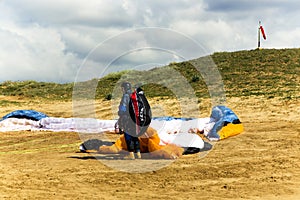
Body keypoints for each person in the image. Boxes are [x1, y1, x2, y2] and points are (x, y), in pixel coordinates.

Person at [117, 81, 141, 160]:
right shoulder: (135, 95)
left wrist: (120, 114)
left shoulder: (126, 96)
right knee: (135, 135)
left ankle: (131, 154)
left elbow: (123, 108)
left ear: (124, 88)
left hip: (127, 119)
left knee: (128, 135)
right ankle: (138, 153)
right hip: (136, 119)